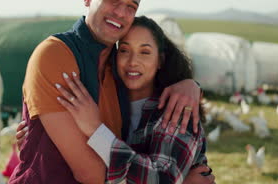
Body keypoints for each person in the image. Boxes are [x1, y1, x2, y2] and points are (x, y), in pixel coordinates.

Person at [9, 0, 205, 184]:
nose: (121, 12)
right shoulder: (55, 54)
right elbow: (90, 174)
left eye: (131, 6)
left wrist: (190, 84)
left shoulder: (117, 71)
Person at [55, 16, 215, 183]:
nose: (133, 62)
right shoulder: (101, 103)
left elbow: (161, 179)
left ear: (160, 60)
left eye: (144, 52)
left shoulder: (177, 108)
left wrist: (96, 131)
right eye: (124, 50)